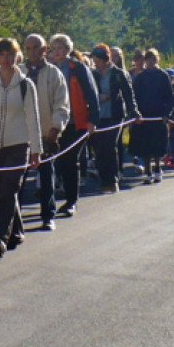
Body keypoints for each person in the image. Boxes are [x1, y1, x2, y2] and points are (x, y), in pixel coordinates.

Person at [0, 39, 41, 257]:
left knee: (9, 189)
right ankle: (17, 230)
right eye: (2, 54)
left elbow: (33, 117)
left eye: (11, 54)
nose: (7, 58)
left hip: (19, 146)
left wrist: (36, 149)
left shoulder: (25, 85)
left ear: (17, 56)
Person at [21, 34, 69, 231]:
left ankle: (48, 215)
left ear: (44, 50)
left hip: (45, 132)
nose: (32, 52)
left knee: (46, 175)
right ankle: (13, 219)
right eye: (29, 48)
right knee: (18, 179)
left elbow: (61, 103)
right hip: (21, 134)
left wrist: (56, 127)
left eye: (36, 48)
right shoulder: (19, 73)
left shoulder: (54, 74)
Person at [49, 34, 99, 217]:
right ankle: (52, 202)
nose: (57, 52)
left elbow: (91, 93)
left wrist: (93, 119)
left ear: (68, 49)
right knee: (56, 162)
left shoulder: (77, 67)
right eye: (54, 48)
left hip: (75, 121)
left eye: (60, 48)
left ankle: (71, 201)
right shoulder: (49, 68)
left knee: (70, 161)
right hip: (54, 122)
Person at [90, 44, 139, 193]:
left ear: (106, 59)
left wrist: (134, 112)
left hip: (115, 114)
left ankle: (113, 180)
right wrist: (99, 98)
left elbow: (128, 95)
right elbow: (89, 94)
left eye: (98, 60)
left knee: (110, 146)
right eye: (94, 61)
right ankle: (103, 180)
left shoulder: (119, 73)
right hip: (98, 115)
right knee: (99, 148)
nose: (96, 64)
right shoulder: (93, 74)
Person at [132, 48, 174, 182]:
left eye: (153, 59)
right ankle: (148, 170)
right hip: (144, 116)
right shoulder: (141, 76)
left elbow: (170, 96)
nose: (150, 62)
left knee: (157, 145)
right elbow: (135, 96)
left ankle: (157, 168)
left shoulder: (162, 75)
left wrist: (167, 113)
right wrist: (135, 113)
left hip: (158, 115)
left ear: (157, 60)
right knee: (145, 146)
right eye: (148, 59)